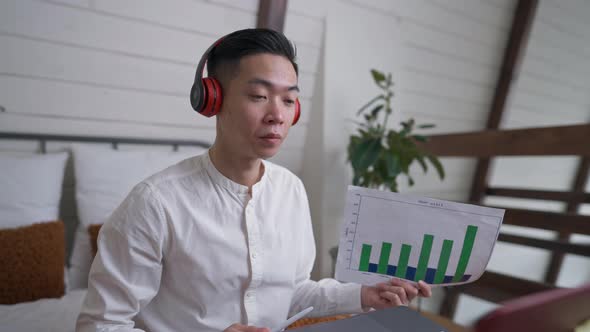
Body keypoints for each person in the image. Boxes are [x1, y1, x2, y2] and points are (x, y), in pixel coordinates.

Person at [76, 28, 431, 332]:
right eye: (259, 96)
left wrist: (362, 295)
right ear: (212, 99)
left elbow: (292, 292)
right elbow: (101, 325)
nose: (278, 115)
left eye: (289, 100)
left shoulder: (291, 189)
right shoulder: (154, 203)